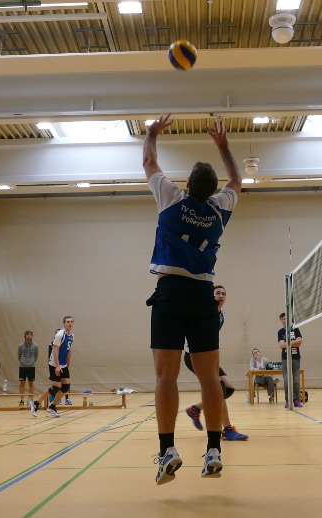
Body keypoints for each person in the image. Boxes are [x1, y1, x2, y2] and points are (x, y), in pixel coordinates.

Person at [143, 113, 241, 485]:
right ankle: (213, 449)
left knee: (165, 378)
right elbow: (237, 179)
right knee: (210, 380)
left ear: (186, 184)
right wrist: (224, 146)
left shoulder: (170, 198)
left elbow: (149, 162)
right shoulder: (219, 210)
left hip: (170, 293)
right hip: (203, 294)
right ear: (212, 190)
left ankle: (168, 450)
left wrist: (152, 133)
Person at [184, 286, 248, 440]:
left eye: (223, 293)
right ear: (211, 296)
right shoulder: (206, 310)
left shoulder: (221, 314)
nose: (221, 296)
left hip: (208, 356)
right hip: (195, 356)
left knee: (228, 389)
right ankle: (227, 430)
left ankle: (196, 409)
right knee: (219, 390)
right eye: (217, 293)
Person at [30, 316, 74, 418]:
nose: (70, 323)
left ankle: (52, 406)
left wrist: (68, 364)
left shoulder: (71, 335)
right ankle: (35, 403)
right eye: (68, 322)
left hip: (63, 364)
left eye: (71, 322)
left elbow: (69, 350)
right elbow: (55, 350)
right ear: (64, 324)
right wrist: (58, 366)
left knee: (66, 387)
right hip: (54, 364)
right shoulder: (60, 335)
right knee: (56, 387)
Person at [278, 312, 303, 408]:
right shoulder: (280, 332)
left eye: (285, 319)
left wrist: (287, 343)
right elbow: (282, 345)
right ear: (281, 321)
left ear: (289, 319)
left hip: (296, 357)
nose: (284, 321)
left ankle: (296, 399)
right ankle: (288, 400)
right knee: (286, 380)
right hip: (285, 358)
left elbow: (300, 342)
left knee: (296, 379)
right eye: (282, 319)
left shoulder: (295, 329)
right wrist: (294, 342)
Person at [18, 330, 39, 407]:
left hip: (31, 366)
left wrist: (32, 362)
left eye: (30, 335)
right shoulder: (20, 346)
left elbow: (36, 356)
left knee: (31, 383)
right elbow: (18, 356)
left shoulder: (35, 346)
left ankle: (31, 399)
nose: (29, 336)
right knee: (22, 383)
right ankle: (22, 400)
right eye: (27, 335)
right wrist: (23, 362)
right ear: (25, 336)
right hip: (23, 366)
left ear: (32, 336)